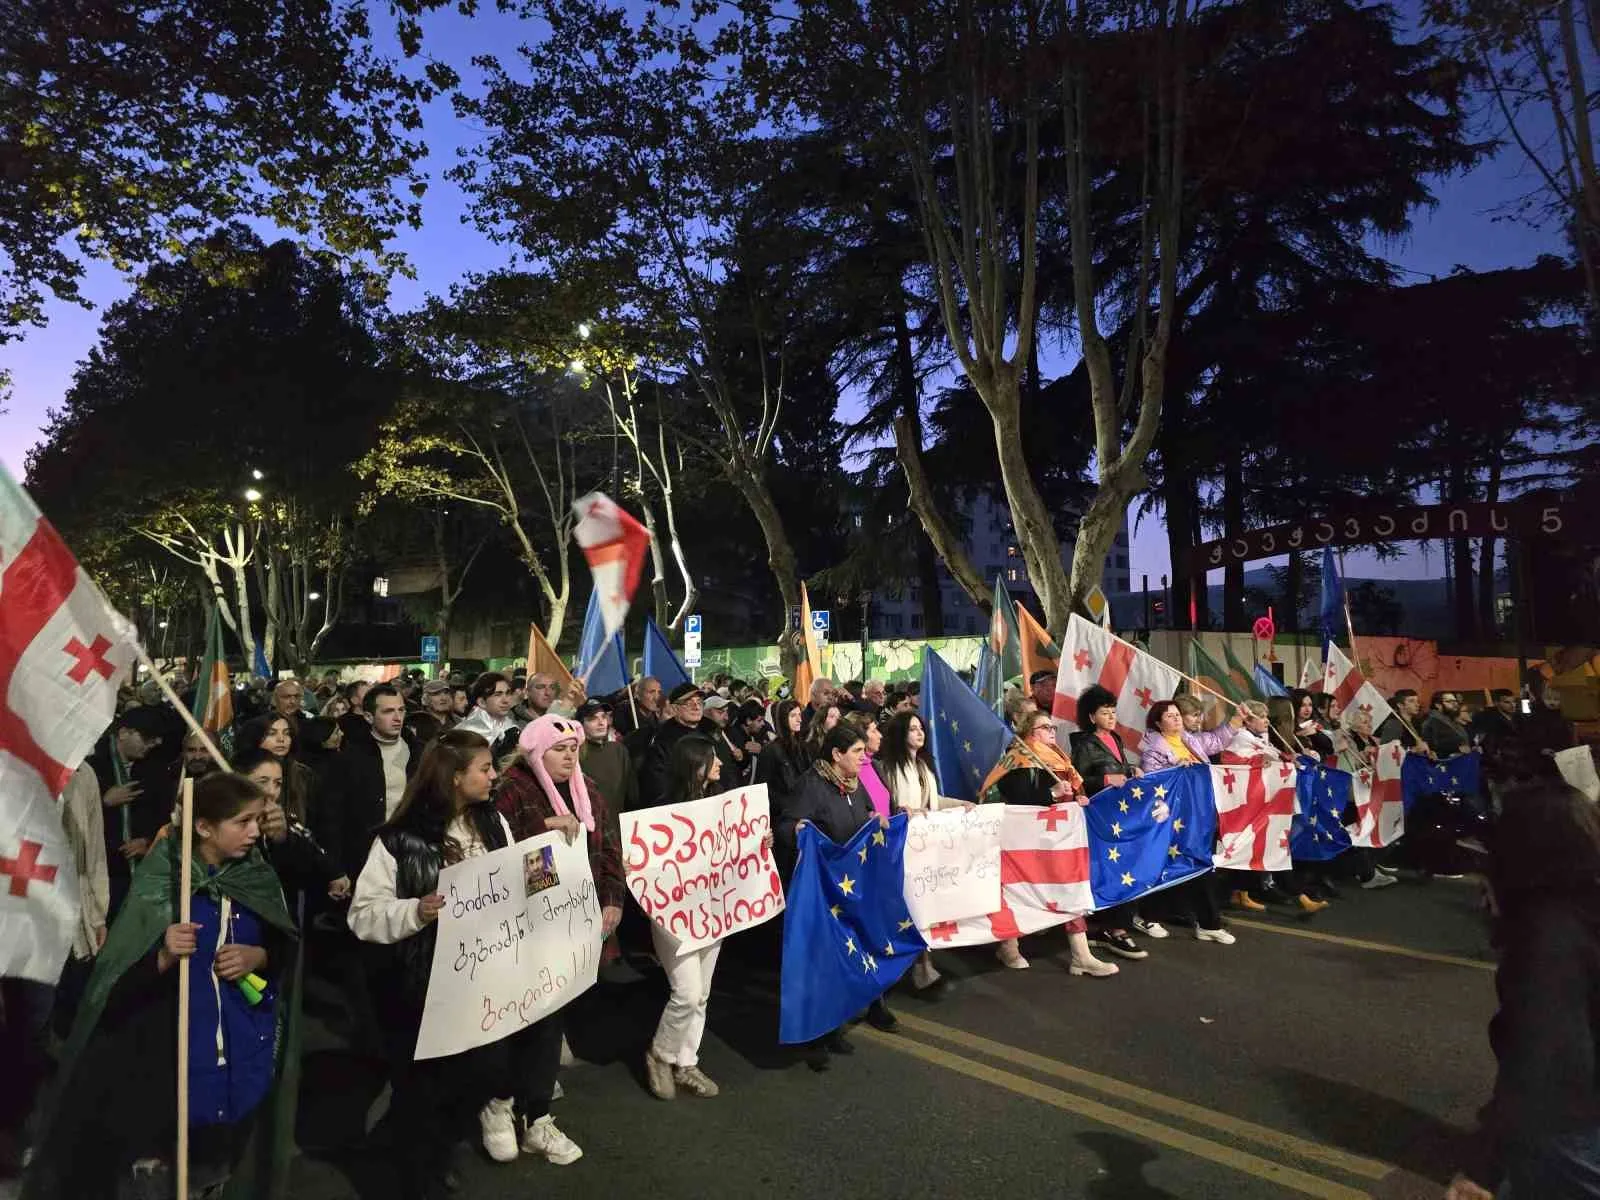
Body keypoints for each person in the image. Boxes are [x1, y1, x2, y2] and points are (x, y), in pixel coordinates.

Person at [28, 773, 297, 1200]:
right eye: (243, 822)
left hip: (239, 1052)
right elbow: (110, 988)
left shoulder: (256, 877)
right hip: (167, 1069)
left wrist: (258, 957)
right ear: (204, 827)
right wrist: (161, 957)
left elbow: (284, 947)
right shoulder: (162, 883)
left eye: (257, 821)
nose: (254, 832)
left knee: (216, 1169)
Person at [349, 730, 582, 1196]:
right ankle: (420, 1171)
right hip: (426, 988)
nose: (495, 776)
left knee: (484, 1075)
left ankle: (449, 1142)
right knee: (426, 1092)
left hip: (492, 979)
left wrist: (553, 851)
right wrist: (416, 911)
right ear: (455, 778)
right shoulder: (399, 842)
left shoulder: (493, 821)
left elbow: (520, 881)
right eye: (485, 769)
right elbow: (363, 915)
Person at [1446, 781, 1600, 1200]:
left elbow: (1544, 1055)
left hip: (1574, 1131)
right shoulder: (1582, 903)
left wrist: (1484, 1164)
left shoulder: (1549, 933)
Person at [640, 736, 773, 1101]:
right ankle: (660, 1055)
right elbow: (647, 860)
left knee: (702, 994)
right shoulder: (661, 810)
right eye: (713, 759)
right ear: (694, 765)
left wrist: (759, 842)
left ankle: (686, 1061)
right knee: (686, 992)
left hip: (712, 911)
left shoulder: (719, 804)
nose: (719, 765)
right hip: (674, 914)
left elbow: (733, 849)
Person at [775, 724, 897, 1066]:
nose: (863, 757)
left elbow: (867, 814)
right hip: (823, 890)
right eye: (857, 752)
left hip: (854, 886)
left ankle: (863, 1009)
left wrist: (875, 818)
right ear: (836, 755)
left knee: (858, 950)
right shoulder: (811, 786)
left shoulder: (856, 786)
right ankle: (816, 1037)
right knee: (823, 963)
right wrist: (797, 830)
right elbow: (784, 825)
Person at [983, 710, 1119, 975]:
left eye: (1053, 727)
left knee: (1070, 887)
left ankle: (1081, 955)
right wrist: (1050, 793)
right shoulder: (1018, 758)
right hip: (1023, 839)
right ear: (1029, 733)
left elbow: (1073, 786)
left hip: (1057, 838)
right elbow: (1016, 796)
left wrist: (1076, 797)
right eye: (1045, 728)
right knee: (1018, 890)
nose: (1052, 732)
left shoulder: (1059, 758)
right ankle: (1009, 946)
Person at [495, 714, 626, 952]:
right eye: (559, 749)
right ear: (538, 753)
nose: (569, 756)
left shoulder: (588, 790)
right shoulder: (511, 790)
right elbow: (499, 855)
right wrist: (544, 826)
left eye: (574, 748)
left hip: (588, 912)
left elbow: (609, 849)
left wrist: (612, 900)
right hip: (537, 921)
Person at [328, 684, 420, 882]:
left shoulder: (419, 751)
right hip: (365, 855)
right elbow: (333, 816)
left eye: (401, 710)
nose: (397, 718)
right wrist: (336, 870)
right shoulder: (350, 757)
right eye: (388, 711)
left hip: (412, 851)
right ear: (369, 717)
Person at [90, 706, 170, 916]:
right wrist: (102, 801)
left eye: (157, 739)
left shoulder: (155, 765)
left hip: (140, 868)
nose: (154, 744)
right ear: (124, 733)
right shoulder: (91, 762)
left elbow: (163, 811)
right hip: (101, 866)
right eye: (147, 738)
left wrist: (148, 840)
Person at [639, 683, 709, 806]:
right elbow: (657, 786)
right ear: (674, 708)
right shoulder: (662, 739)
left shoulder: (710, 731)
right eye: (689, 703)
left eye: (699, 702)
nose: (696, 707)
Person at [1069, 685, 1141, 795]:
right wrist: (1106, 780)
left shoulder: (1115, 737)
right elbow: (1077, 782)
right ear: (1092, 718)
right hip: (1101, 805)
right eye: (1105, 713)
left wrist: (1132, 769)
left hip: (1122, 799)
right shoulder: (1084, 745)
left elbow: (1120, 767)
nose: (1112, 717)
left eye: (1113, 712)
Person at [577, 699, 638, 812]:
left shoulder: (619, 749)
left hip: (622, 824)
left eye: (603, 717)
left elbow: (632, 794)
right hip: (593, 825)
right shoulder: (575, 755)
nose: (601, 723)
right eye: (593, 719)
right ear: (581, 724)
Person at [755, 699, 810, 814]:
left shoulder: (802, 746)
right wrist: (786, 805)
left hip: (803, 807)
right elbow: (763, 788)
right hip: (783, 813)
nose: (799, 719)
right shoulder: (770, 750)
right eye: (793, 715)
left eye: (799, 715)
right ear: (783, 719)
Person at [841, 711, 890, 817]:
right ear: (860, 735)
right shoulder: (847, 769)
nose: (880, 735)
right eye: (874, 731)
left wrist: (901, 810)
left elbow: (887, 806)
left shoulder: (876, 765)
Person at [456, 671, 521, 744]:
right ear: (482, 702)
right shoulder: (466, 732)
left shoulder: (513, 728)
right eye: (498, 695)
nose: (505, 700)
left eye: (508, 693)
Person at [405, 678, 457, 744]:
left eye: (446, 693)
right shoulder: (415, 722)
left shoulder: (458, 722)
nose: (443, 698)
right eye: (436, 694)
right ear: (425, 699)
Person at [1422, 691, 1471, 759]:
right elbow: (1430, 747)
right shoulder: (1431, 722)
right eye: (1449, 701)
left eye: (1455, 701)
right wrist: (1456, 749)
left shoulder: (1451, 720)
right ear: (1438, 705)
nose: (1454, 704)